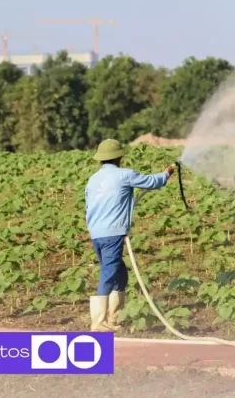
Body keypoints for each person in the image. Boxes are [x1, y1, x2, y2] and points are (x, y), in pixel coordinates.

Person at [84, 139, 175, 331]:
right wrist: (167, 173)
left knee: (120, 275)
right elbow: (152, 182)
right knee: (108, 273)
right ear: (119, 157)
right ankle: (99, 323)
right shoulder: (124, 175)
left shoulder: (93, 179)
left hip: (96, 233)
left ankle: (113, 319)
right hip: (113, 232)